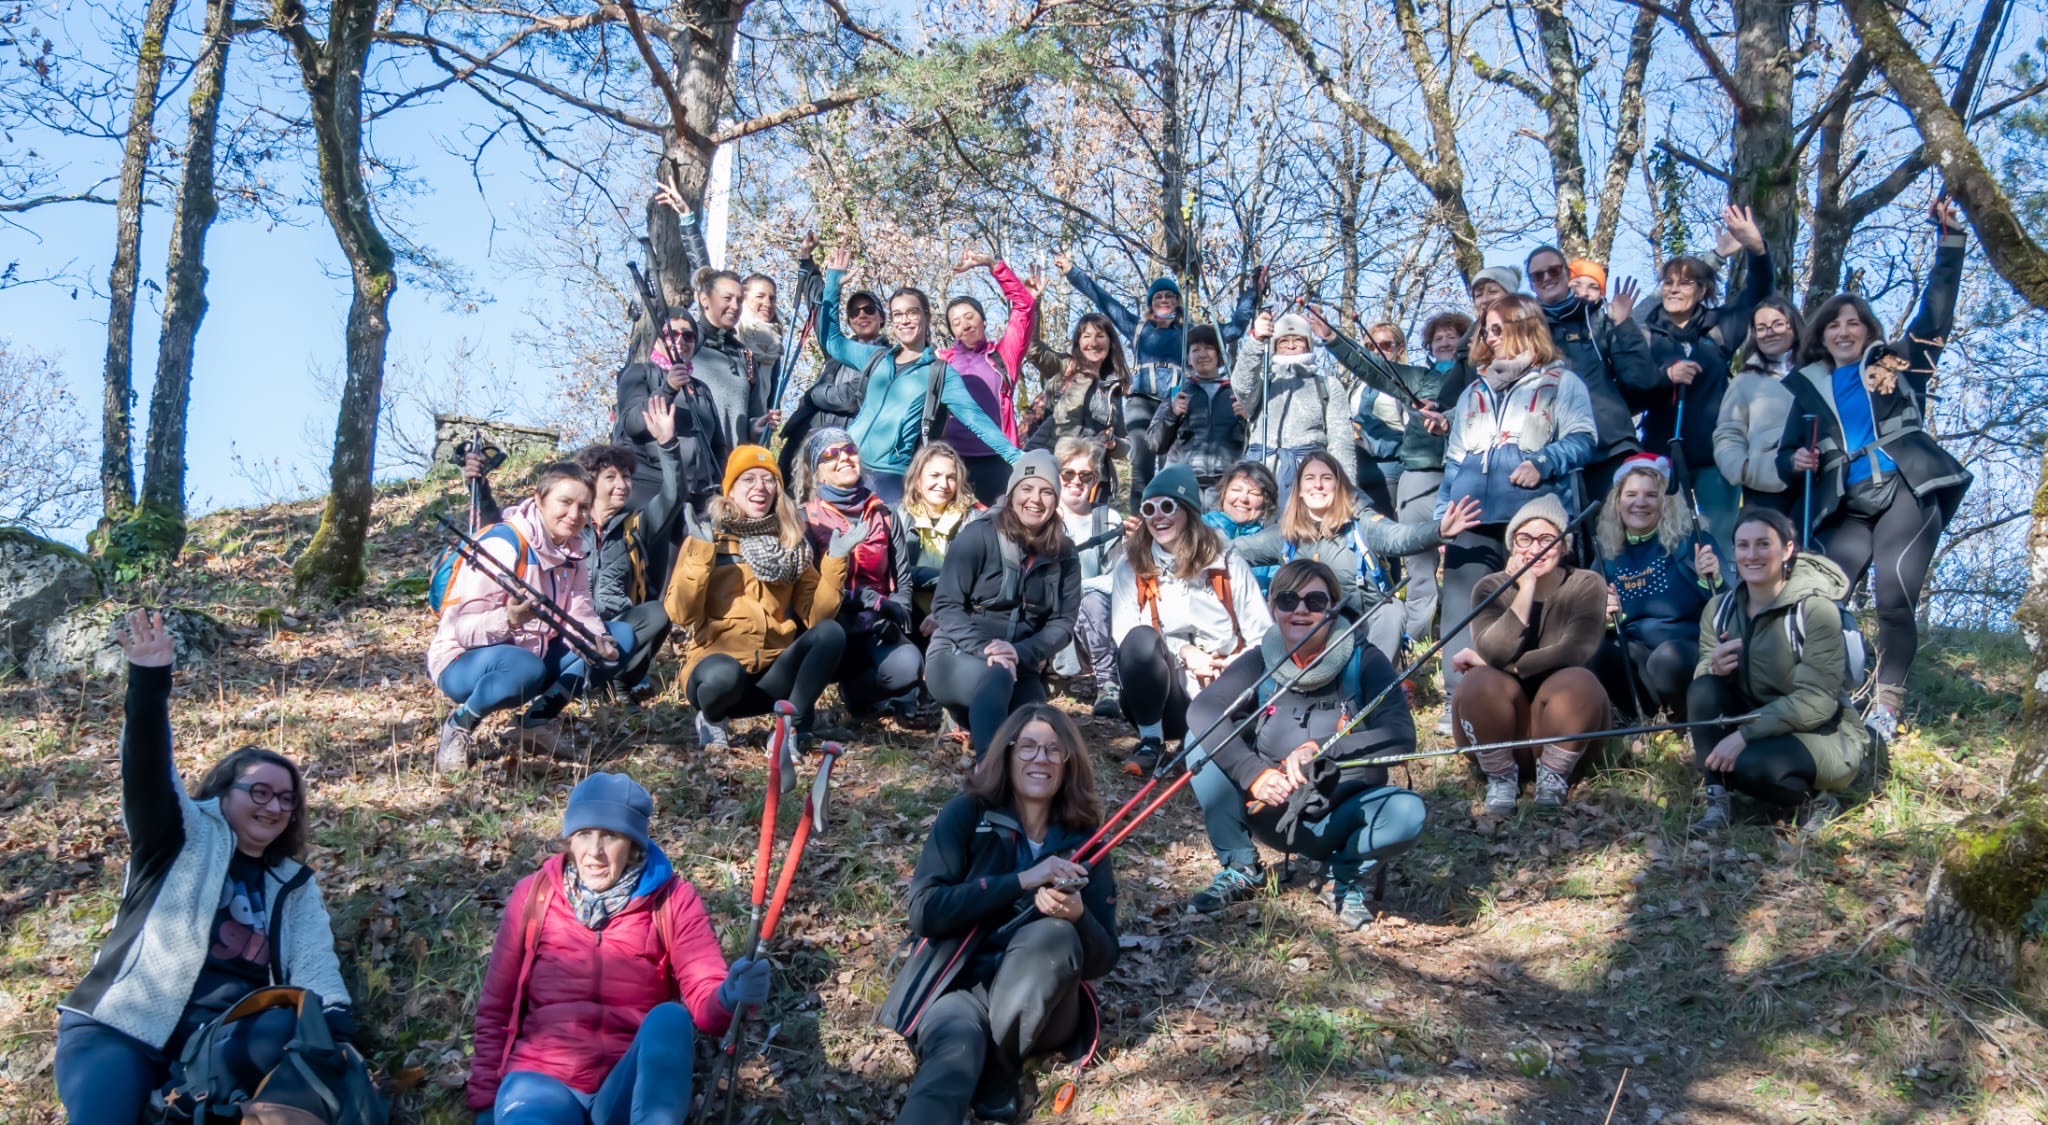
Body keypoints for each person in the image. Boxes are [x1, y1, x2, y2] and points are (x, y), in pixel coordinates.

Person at [57, 611, 359, 1124]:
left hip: (215, 1044)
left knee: (290, 1025)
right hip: (122, 1027)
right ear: (221, 794)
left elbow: (314, 966)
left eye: (286, 799)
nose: (273, 807)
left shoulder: (292, 883)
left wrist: (338, 1035)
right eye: (258, 792)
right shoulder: (176, 836)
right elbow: (146, 769)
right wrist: (149, 682)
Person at [466, 772, 770, 1122]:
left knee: (670, 1018)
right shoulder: (534, 896)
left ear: (633, 845)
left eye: (610, 836)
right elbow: (496, 1008)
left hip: (623, 1086)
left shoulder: (671, 900)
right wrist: (486, 1104)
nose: (594, 853)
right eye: (583, 835)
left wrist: (731, 996)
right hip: (540, 1081)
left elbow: (705, 999)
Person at [1780, 200, 1972, 742]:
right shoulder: (1804, 388)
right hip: (1846, 502)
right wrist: (1794, 460)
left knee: (1894, 598)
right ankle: (1825, 696)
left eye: (1855, 322)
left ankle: (1886, 709)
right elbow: (1785, 456)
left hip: (1906, 488)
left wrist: (1950, 242)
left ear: (1868, 330)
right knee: (1819, 598)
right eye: (1835, 324)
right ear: (1821, 334)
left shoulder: (1899, 363)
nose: (1845, 330)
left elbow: (1936, 315)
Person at [880, 705, 1117, 1124]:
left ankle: (998, 1065)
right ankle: (992, 1070)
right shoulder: (966, 815)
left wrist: (1079, 916)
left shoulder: (1086, 838)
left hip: (1044, 1008)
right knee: (950, 1061)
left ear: (1068, 762)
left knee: (1056, 935)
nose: (1039, 760)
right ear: (1006, 754)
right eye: (1027, 747)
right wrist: (1023, 879)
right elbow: (924, 911)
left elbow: (1102, 959)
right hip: (957, 987)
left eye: (1052, 750)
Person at [1181, 560, 1428, 926]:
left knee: (1408, 812)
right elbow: (1203, 710)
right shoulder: (1258, 661)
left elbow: (1401, 736)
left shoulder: (1367, 662)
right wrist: (1255, 774)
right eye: (1287, 600)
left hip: (1342, 811)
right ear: (1272, 607)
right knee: (1197, 744)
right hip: (1269, 805)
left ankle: (1342, 878)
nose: (1300, 610)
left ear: (1333, 608)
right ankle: (1241, 866)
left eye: (1314, 601)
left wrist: (1323, 748)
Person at [1435, 294, 1596, 706]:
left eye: (1497, 328)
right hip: (1469, 517)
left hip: (1531, 517)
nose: (1489, 338)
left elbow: (1583, 439)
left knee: (1539, 604)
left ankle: (1544, 692)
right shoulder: (1473, 392)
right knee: (1463, 608)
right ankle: (1463, 696)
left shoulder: (1561, 382)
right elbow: (1454, 460)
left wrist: (1543, 462)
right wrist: (1442, 517)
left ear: (1524, 326)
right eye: (1486, 330)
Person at [430, 462, 628, 770]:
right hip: (461, 663)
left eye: (583, 507)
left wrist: (597, 640)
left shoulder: (573, 553)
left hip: (530, 655)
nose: (574, 515)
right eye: (565, 503)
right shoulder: (504, 544)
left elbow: (581, 612)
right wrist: (509, 619)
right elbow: (463, 631)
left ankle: (533, 725)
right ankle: (459, 725)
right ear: (539, 499)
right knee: (524, 668)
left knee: (620, 639)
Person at [665, 446, 855, 759]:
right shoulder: (707, 537)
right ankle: (712, 721)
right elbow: (680, 613)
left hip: (771, 674)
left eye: (768, 480)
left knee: (831, 634)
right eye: (749, 479)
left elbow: (818, 617)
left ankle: (787, 730)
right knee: (724, 674)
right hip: (716, 673)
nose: (760, 487)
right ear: (731, 490)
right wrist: (701, 552)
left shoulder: (791, 545)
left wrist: (836, 560)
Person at [1690, 507, 1868, 834]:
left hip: (1820, 732)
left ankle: (1817, 800)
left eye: (1763, 544)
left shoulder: (1816, 610)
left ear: (1787, 550)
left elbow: (1819, 701)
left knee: (1752, 768)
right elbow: (1702, 675)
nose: (1752, 555)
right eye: (1743, 546)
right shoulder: (1718, 609)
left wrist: (1744, 735)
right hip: (1758, 721)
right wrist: (1712, 666)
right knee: (1703, 689)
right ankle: (1717, 799)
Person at [809, 245, 1020, 504]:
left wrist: (1018, 458)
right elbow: (830, 340)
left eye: (912, 312)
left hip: (890, 479)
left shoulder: (940, 374)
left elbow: (979, 422)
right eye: (898, 314)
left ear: (926, 316)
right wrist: (832, 283)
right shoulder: (875, 358)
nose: (905, 320)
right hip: (848, 465)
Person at [1314, 309, 1471, 649]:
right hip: (1420, 471)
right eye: (1438, 337)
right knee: (1418, 557)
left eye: (1452, 336)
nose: (1445, 342)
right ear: (1428, 345)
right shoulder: (1420, 378)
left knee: (1465, 557)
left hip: (1465, 474)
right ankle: (1415, 637)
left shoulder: (1478, 380)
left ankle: (1462, 632)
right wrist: (1331, 339)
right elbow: (1374, 370)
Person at [1230, 452, 1478, 663]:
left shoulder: (1362, 524)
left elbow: (1400, 537)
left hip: (1360, 627)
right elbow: (1236, 550)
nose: (1318, 485)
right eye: (1310, 479)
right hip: (1306, 626)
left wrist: (1438, 530)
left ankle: (1375, 685)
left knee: (1393, 611)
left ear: (1339, 488)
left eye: (1326, 479)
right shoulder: (1286, 533)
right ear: (1300, 492)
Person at [1448, 495, 1610, 813]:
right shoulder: (1488, 587)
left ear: (1563, 547)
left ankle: (1554, 777)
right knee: (1478, 682)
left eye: (1547, 539)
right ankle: (1500, 777)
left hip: (1565, 729)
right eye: (1525, 538)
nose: (1535, 548)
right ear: (1511, 544)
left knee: (1579, 680)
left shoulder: (1587, 584)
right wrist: (1525, 590)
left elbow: (1576, 650)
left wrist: (1504, 666)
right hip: (1501, 728)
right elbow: (1493, 650)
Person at [1108, 465, 1273, 776]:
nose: (1158, 516)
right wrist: (1184, 653)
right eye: (1149, 508)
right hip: (1163, 691)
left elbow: (1262, 635)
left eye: (1168, 506)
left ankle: (1195, 744)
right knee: (1140, 640)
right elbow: (1125, 635)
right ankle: (1151, 741)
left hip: (1223, 687)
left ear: (1189, 512)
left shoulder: (1226, 561)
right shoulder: (1131, 564)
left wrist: (1231, 664)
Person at [1634, 205, 1775, 555]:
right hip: (1661, 453)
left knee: (1721, 539)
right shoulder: (1646, 334)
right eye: (1667, 282)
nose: (1674, 289)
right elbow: (1631, 385)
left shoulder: (1718, 327)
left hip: (1715, 454)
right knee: (1667, 541)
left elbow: (1757, 291)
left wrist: (1756, 250)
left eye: (1685, 283)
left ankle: (1723, 604)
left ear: (1702, 290)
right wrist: (1666, 377)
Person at [1056, 252, 1260, 495]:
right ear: (1151, 304)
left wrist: (1252, 293)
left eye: (1170, 296)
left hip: (1174, 402)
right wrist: (1072, 271)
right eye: (1158, 297)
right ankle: (1136, 523)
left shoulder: (1190, 333)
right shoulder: (1137, 327)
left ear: (1177, 302)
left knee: (1169, 468)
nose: (1164, 300)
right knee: (1141, 464)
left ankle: (1166, 514)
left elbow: (1233, 329)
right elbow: (1104, 301)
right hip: (1141, 401)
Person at [925, 451, 1082, 759]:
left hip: (1019, 664)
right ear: (1012, 493)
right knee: (994, 677)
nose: (1035, 499)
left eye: (1046, 491)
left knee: (1040, 724)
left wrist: (1018, 654)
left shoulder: (1065, 553)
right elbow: (946, 605)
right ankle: (989, 772)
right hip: (957, 654)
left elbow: (1063, 624)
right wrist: (988, 650)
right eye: (1026, 488)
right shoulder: (978, 535)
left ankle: (972, 721)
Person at [797, 427, 925, 720]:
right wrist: (873, 601)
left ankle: (857, 694)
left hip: (877, 626)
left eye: (849, 451)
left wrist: (898, 613)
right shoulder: (806, 518)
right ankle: (800, 717)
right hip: (831, 624)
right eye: (830, 454)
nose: (843, 458)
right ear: (818, 473)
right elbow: (809, 591)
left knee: (907, 667)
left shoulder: (883, 512)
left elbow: (902, 578)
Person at [566, 409, 688, 703]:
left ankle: (620, 681)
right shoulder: (567, 526)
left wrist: (668, 444)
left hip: (618, 628)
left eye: (626, 477)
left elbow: (672, 498)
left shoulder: (636, 525)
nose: (622, 484)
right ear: (589, 482)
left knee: (659, 612)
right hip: (571, 630)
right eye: (610, 477)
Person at [1589, 455, 1721, 721]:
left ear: (1665, 502)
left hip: (1683, 647)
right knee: (1602, 654)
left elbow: (1722, 603)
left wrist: (1714, 578)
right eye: (1631, 494)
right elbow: (1591, 615)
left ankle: (1680, 718)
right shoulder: (1607, 553)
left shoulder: (1691, 542)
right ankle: (1637, 720)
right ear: (1617, 502)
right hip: (1635, 651)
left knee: (1665, 659)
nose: (1640, 502)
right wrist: (1604, 617)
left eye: (1651, 495)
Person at [1523, 243, 1656, 486]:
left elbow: (1642, 382)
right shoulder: (1524, 330)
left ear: (1566, 274)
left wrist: (1624, 326)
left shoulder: (1597, 318)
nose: (1546, 278)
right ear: (1531, 284)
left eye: (1553, 270)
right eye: (1538, 275)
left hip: (1610, 446)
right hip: (1552, 455)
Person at [938, 250, 1038, 503]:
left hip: (996, 459)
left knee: (998, 529)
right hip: (951, 461)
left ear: (983, 320)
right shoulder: (942, 361)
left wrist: (994, 265)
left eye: (970, 316)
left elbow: (1024, 306)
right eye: (956, 322)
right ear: (952, 331)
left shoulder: (1002, 355)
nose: (965, 324)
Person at [1234, 309, 1357, 497]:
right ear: (1274, 345)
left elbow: (1340, 440)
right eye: (1283, 340)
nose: (1291, 345)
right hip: (1260, 474)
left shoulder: (1328, 385)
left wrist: (1345, 490)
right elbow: (1242, 387)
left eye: (1298, 339)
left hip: (1309, 477)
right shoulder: (1263, 381)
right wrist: (1256, 342)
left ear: (1309, 344)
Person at [613, 312, 724, 522]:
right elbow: (631, 423)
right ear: (657, 339)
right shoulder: (639, 373)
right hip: (652, 490)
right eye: (671, 334)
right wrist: (668, 389)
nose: (680, 341)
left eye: (688, 335)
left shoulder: (701, 389)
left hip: (699, 498)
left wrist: (718, 483)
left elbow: (717, 445)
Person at [1050, 436, 1128, 719]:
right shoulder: (1039, 517)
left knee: (1094, 600)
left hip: (1092, 618)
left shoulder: (1109, 519)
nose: (1076, 481)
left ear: (1095, 480)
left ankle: (1108, 684)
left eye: (1086, 475)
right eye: (1067, 473)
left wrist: (1077, 588)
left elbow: (1116, 580)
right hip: (1046, 616)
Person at [1713, 297, 1807, 518]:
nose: (1769, 332)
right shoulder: (1744, 380)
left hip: (1817, 480)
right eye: (1761, 328)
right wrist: (1743, 468)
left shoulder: (1819, 371)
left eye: (1777, 324)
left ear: (1793, 325)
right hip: (1765, 484)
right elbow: (1728, 433)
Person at [1024, 312, 1130, 497]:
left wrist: (1113, 444)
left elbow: (1125, 442)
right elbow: (1033, 350)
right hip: (1056, 469)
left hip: (1093, 479)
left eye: (1100, 336)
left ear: (1110, 342)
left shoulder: (1113, 388)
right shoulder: (1064, 367)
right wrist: (1033, 303)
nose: (1093, 342)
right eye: (1086, 336)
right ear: (1078, 342)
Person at [1146, 324, 1249, 499]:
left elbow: (1252, 443)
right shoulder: (1178, 393)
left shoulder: (1236, 393)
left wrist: (1247, 420)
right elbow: (1155, 444)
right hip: (1184, 483)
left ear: (1220, 355)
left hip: (1228, 484)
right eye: (1195, 349)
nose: (1202, 355)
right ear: (1188, 356)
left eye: (1209, 348)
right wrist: (1172, 414)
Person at [898, 441, 987, 642]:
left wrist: (946, 611)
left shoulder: (976, 519)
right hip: (907, 616)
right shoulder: (897, 516)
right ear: (917, 478)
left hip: (959, 616)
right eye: (935, 476)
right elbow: (894, 574)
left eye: (951, 477)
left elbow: (982, 581)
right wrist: (947, 580)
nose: (944, 484)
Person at [691, 266, 780, 457]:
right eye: (727, 298)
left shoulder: (744, 356)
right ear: (704, 300)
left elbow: (752, 414)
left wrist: (756, 427)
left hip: (732, 469)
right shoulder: (687, 346)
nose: (734, 306)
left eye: (739, 300)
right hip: (693, 466)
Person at [1204, 461, 1283, 593]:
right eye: (1236, 490)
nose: (1244, 499)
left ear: (1266, 501)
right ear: (1223, 493)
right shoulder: (1200, 529)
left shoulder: (1270, 543)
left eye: (1254, 493)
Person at [737, 272, 786, 360]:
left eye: (772, 299)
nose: (768, 304)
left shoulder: (775, 345)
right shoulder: (731, 330)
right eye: (760, 296)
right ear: (743, 299)